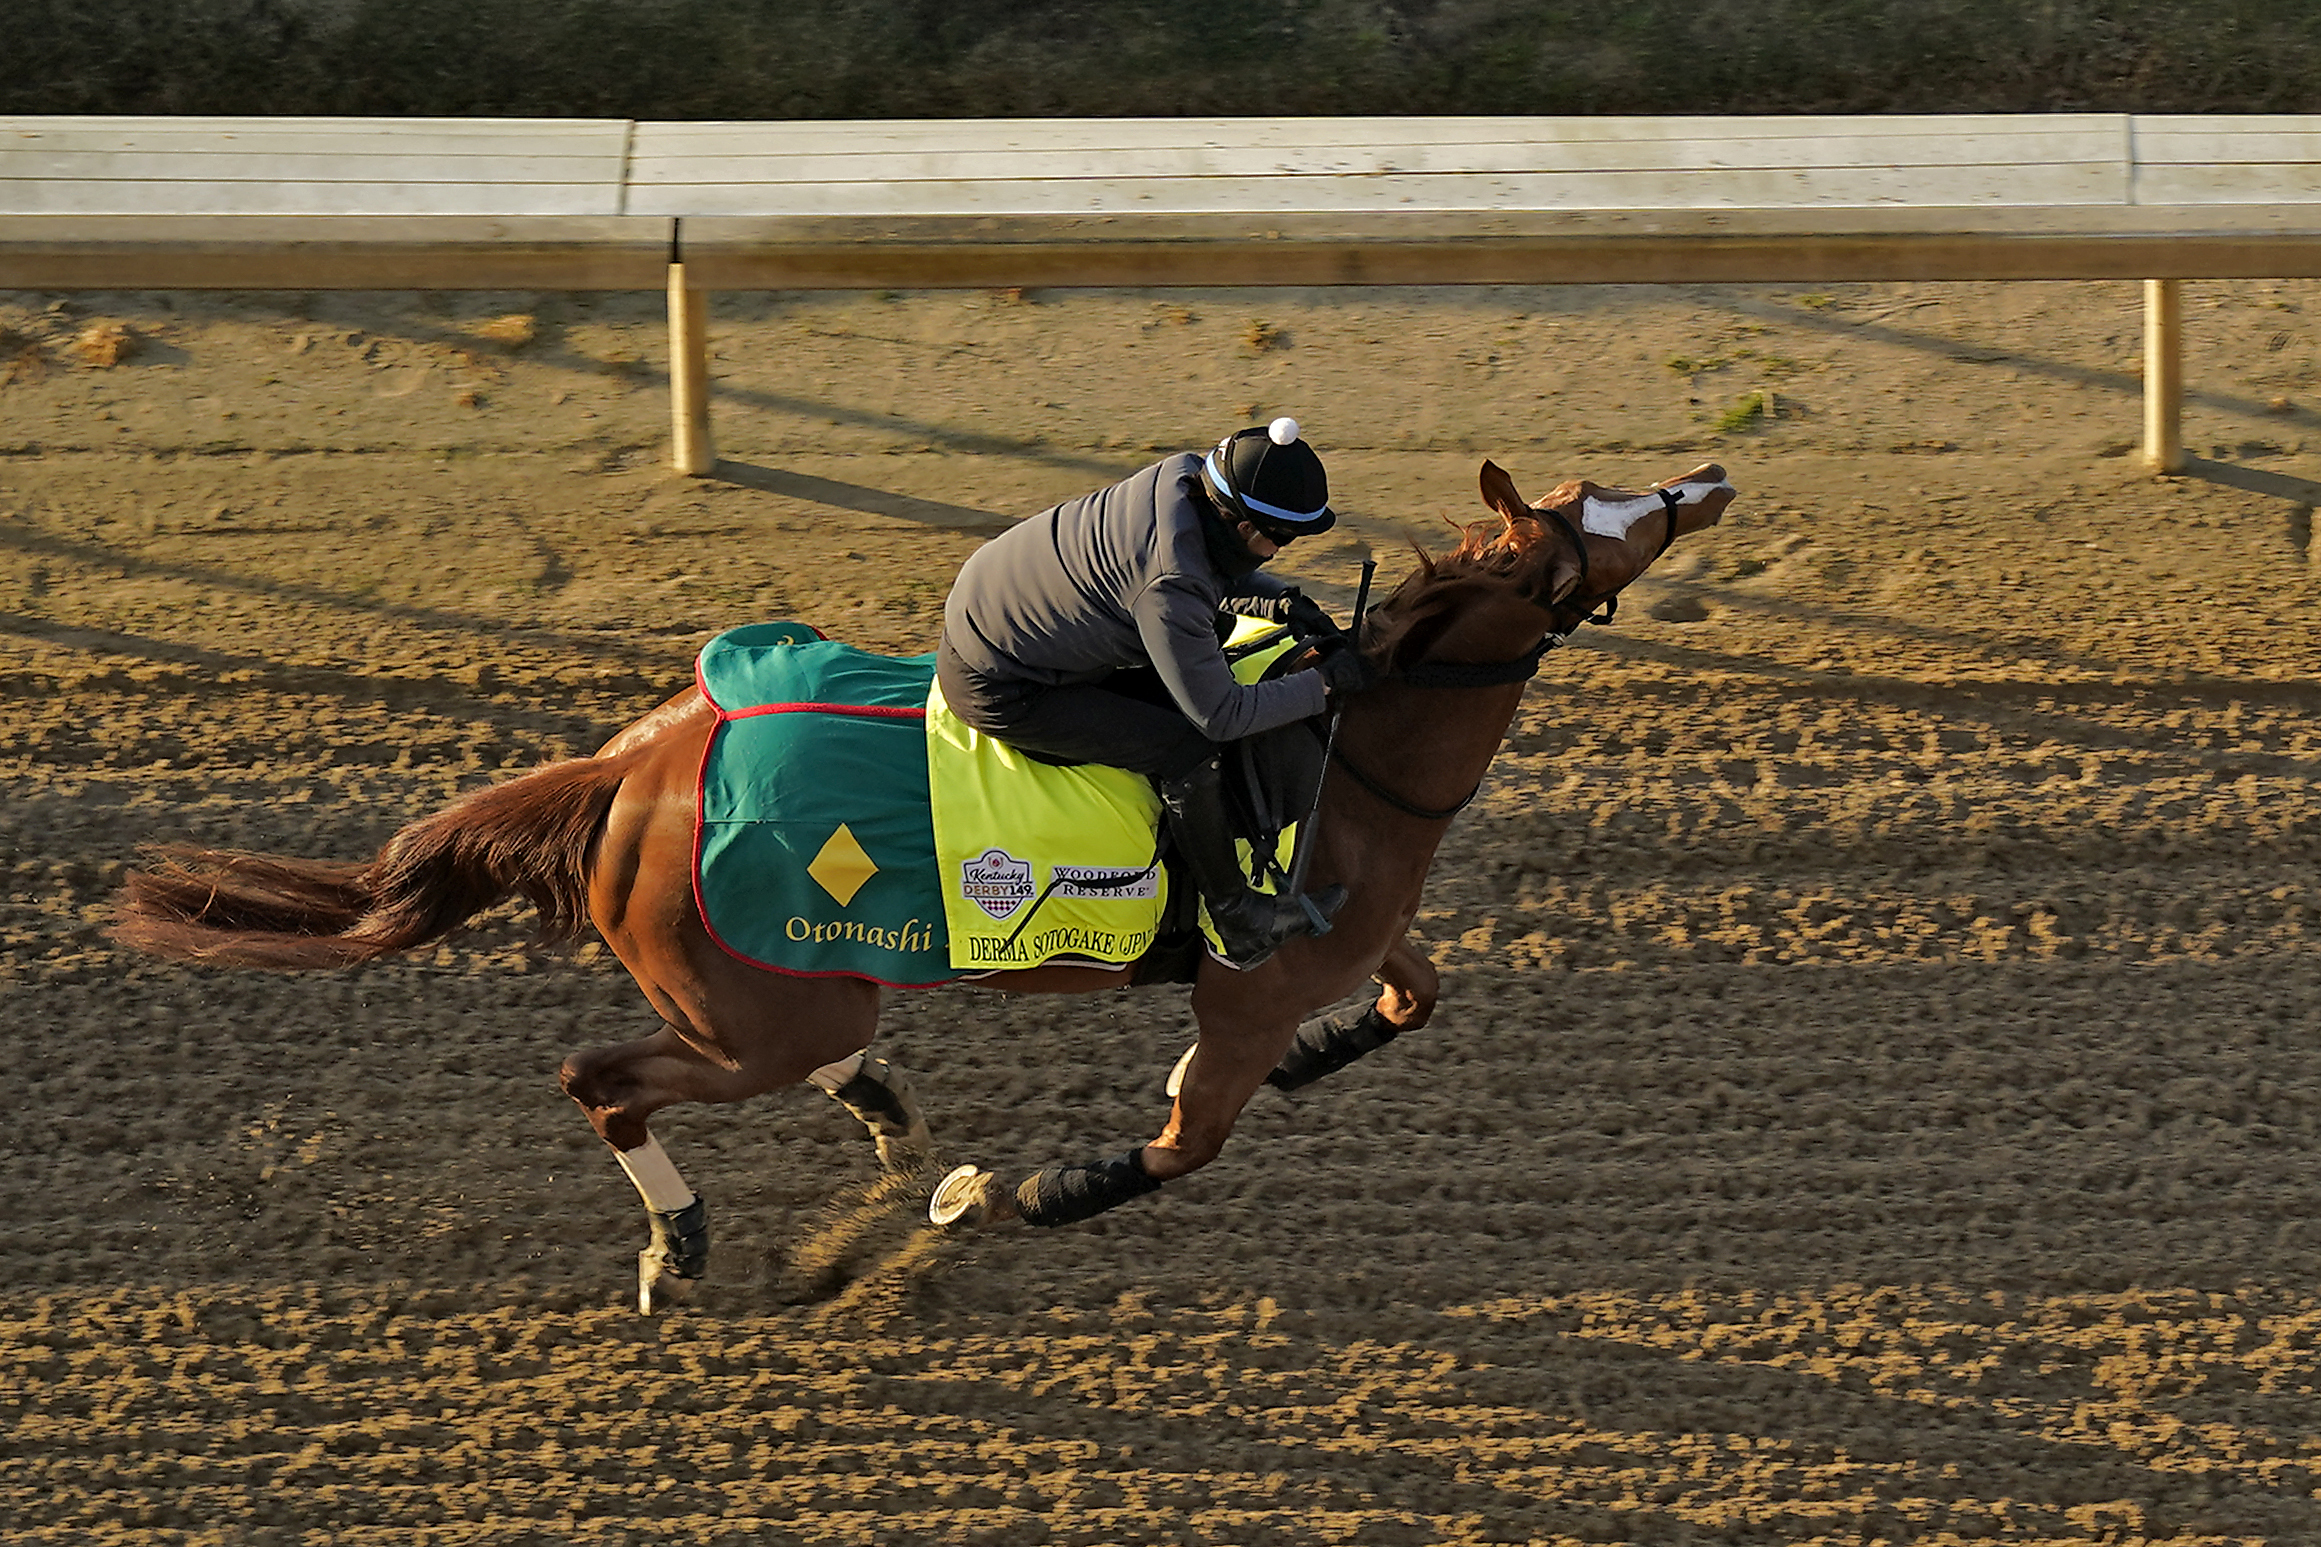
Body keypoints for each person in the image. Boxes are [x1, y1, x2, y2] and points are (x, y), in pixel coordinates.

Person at [938, 417, 1376, 970]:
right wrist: (1325, 684)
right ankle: (1236, 914)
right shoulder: (1171, 582)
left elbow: (1216, 568)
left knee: (1209, 639)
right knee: (1186, 746)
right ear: (1245, 528)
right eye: (1281, 541)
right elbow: (1219, 715)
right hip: (1001, 685)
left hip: (1006, 613)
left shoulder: (1187, 477)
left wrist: (1282, 602)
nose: (1278, 553)